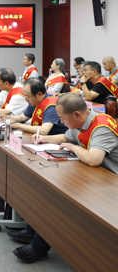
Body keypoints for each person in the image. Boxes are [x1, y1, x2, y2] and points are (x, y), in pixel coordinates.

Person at [12, 93, 118, 263]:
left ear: (76, 114)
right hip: (98, 176)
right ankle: (33, 231)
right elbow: (66, 137)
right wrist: (43, 138)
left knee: (60, 199)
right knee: (50, 189)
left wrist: (73, 148)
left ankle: (38, 247)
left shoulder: (101, 127)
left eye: (63, 118)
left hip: (111, 184)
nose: (61, 122)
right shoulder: (83, 120)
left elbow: (93, 159)